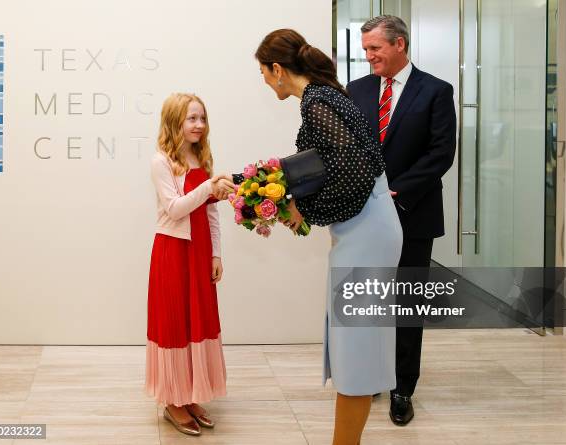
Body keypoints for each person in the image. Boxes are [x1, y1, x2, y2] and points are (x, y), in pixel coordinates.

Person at [253, 29, 403, 445]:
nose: (264, 81)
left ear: (279, 70)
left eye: (264, 73)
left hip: (367, 231)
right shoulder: (324, 97)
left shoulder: (318, 102)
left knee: (356, 351)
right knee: (354, 345)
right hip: (368, 226)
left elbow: (354, 170)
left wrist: (307, 210)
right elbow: (336, 166)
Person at [347, 15, 457, 426]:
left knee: (406, 303)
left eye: (375, 48)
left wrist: (397, 191)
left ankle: (402, 388)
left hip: (413, 213)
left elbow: (441, 153)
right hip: (363, 217)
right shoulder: (355, 91)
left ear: (400, 45)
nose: (369, 56)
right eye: (366, 50)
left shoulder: (435, 91)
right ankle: (372, 375)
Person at [145, 93, 235, 436]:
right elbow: (174, 209)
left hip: (199, 252)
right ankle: (172, 400)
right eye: (191, 119)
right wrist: (210, 187)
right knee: (174, 323)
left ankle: (191, 394)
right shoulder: (161, 162)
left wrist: (216, 254)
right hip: (172, 251)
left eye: (202, 118)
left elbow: (211, 212)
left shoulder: (202, 157)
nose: (199, 125)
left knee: (197, 323)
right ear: (174, 122)